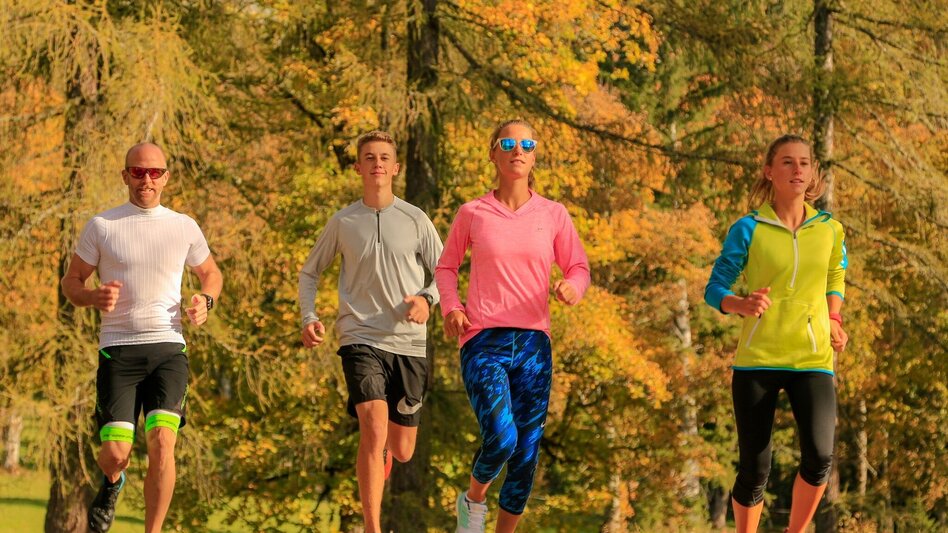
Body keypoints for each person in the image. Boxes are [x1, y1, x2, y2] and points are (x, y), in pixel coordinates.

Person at [435, 119, 591, 533]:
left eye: (526, 143)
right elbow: (446, 267)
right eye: (508, 143)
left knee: (525, 454)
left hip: (534, 343)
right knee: (502, 437)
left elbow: (578, 267)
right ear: (493, 153)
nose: (517, 149)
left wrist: (572, 289)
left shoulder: (553, 214)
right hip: (483, 339)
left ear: (534, 155)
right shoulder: (473, 213)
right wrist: (451, 306)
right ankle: (473, 500)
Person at [61, 142, 223, 533]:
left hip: (168, 348)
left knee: (163, 444)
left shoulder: (183, 226)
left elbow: (211, 275)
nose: (145, 180)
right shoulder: (103, 226)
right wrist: (90, 297)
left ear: (166, 177)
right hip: (118, 351)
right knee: (116, 455)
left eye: (153, 173)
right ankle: (113, 483)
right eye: (137, 172)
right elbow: (71, 282)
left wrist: (206, 300)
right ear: (125, 176)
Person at [297, 130, 443, 533]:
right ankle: (372, 527)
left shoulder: (416, 219)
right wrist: (309, 317)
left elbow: (445, 274)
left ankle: (381, 464)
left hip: (409, 343)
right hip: (360, 336)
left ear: (395, 168)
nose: (377, 163)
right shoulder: (344, 221)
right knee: (373, 424)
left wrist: (427, 300)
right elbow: (310, 272)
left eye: (384, 157)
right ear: (358, 167)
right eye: (369, 157)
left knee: (401, 448)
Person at [704, 134, 849, 533]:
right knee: (755, 467)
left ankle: (795, 531)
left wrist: (834, 319)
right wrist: (741, 304)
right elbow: (715, 287)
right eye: (787, 162)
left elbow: (836, 273)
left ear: (813, 173)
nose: (797, 169)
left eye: (804, 162)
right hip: (758, 359)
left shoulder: (830, 229)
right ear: (769, 171)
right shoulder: (748, 228)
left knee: (820, 456)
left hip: (813, 357)